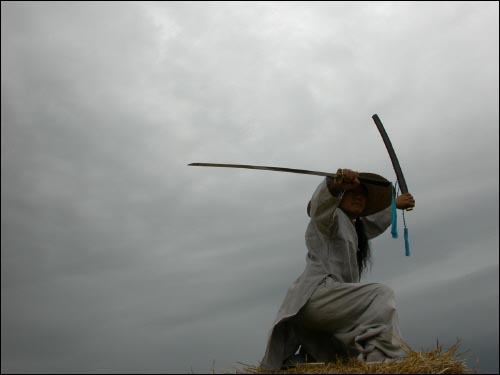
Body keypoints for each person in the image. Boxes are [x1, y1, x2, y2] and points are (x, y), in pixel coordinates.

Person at [260, 169, 416, 371]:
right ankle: (383, 365)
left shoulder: (355, 227)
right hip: (317, 296)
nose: (359, 196)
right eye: (353, 192)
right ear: (340, 197)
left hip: (332, 305)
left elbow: (373, 223)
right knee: (380, 295)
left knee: (339, 356)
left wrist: (395, 206)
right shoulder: (330, 219)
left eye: (363, 195)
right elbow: (320, 206)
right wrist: (334, 185)